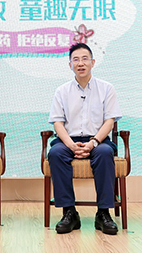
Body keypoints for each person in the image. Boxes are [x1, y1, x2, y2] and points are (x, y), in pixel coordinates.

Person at [48, 42, 122, 235]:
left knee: (104, 153)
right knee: (55, 154)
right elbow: (57, 123)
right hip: (68, 140)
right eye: (76, 60)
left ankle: (103, 213)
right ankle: (69, 212)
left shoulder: (106, 88)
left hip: (98, 140)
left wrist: (93, 142)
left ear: (93, 62)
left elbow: (109, 121)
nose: (80, 63)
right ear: (70, 64)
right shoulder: (61, 91)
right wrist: (71, 145)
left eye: (84, 59)